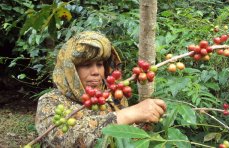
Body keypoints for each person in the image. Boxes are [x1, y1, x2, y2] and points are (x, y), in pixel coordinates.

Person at [35, 31, 166, 147]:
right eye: (86, 65)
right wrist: (130, 114)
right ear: (70, 70)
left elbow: (127, 138)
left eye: (99, 64)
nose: (96, 72)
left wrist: (144, 123)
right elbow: (66, 139)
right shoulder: (51, 101)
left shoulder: (112, 97)